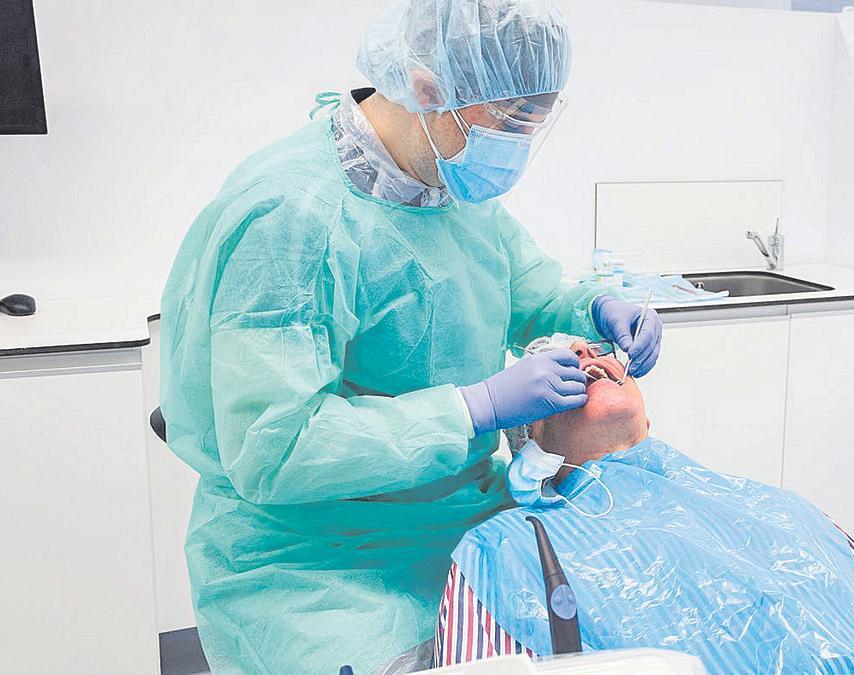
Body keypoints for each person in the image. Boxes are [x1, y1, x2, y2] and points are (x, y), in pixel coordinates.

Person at [157, 2, 663, 673]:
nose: (514, 146)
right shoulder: (292, 219)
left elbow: (529, 290)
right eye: (508, 121)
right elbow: (273, 447)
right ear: (427, 88)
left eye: (531, 124)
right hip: (314, 563)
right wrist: (473, 408)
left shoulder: (448, 189)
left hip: (459, 522)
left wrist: (593, 305)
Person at [412, 337, 854, 675]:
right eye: (554, 366)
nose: (582, 354)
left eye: (594, 351)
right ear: (530, 442)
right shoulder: (507, 549)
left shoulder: (774, 506)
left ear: (648, 417)